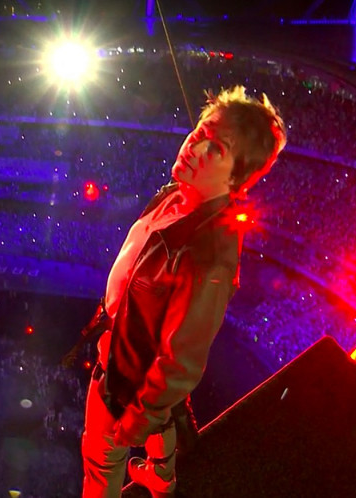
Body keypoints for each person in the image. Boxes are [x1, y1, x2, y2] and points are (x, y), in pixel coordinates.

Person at [80, 86, 287, 498]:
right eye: (201, 130)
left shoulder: (209, 257)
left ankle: (157, 475)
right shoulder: (175, 195)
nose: (196, 145)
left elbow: (180, 362)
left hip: (126, 373)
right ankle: (162, 477)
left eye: (217, 148)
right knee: (167, 416)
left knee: (100, 460)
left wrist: (134, 421)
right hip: (128, 349)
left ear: (236, 177)